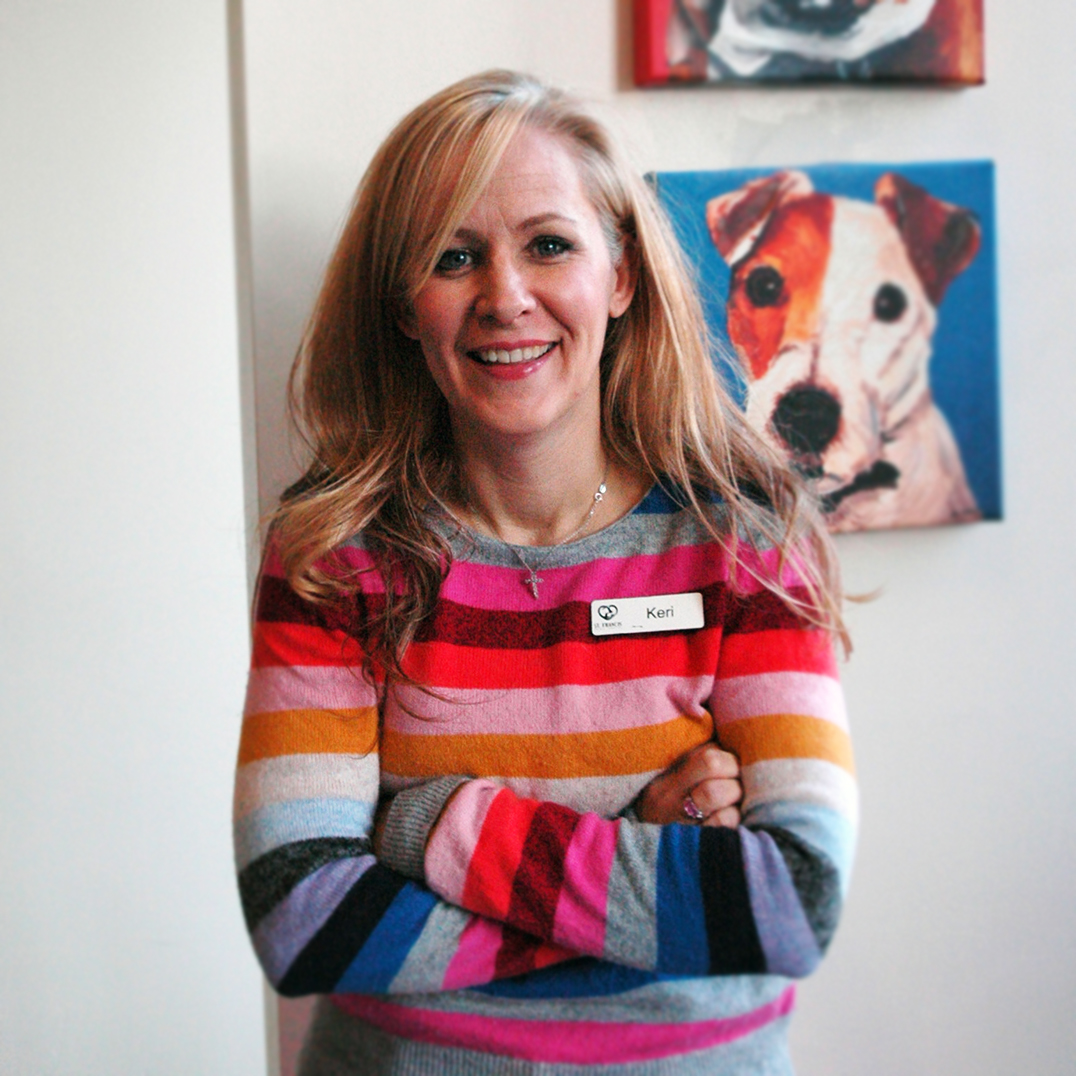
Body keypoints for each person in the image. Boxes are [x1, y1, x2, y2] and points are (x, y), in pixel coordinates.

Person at [234, 70, 857, 1075]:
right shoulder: (335, 557)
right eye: (454, 255)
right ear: (404, 303)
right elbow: (305, 920)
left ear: (618, 274)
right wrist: (646, 857)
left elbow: (788, 904)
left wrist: (432, 822)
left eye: (549, 244)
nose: (504, 296)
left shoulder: (744, 539)